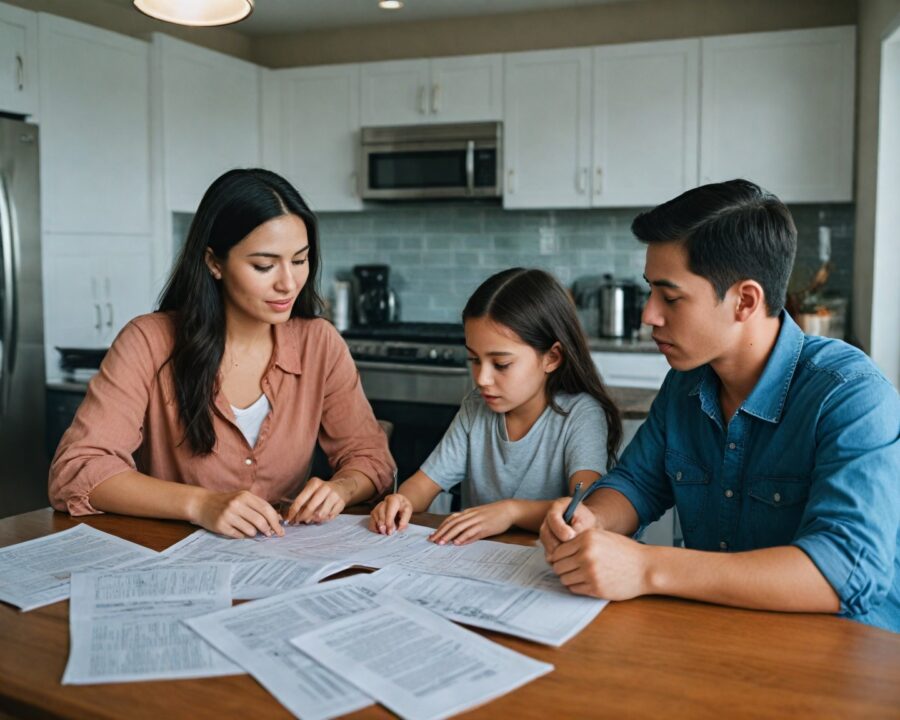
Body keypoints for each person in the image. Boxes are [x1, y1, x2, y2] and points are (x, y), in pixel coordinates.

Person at [540, 179, 900, 632]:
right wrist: (591, 519)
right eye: (650, 291)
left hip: (847, 658)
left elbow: (846, 571)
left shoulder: (850, 395)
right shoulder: (685, 383)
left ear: (745, 300)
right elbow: (637, 484)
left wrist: (646, 567)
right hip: (723, 637)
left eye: (670, 297)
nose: (649, 315)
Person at [49, 169, 395, 538]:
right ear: (214, 263)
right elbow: (78, 470)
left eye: (299, 260)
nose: (289, 283)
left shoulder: (319, 344)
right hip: (175, 563)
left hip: (285, 563)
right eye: (264, 265)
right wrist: (200, 504)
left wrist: (339, 489)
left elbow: (372, 460)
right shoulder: (148, 342)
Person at [369, 268, 622, 544]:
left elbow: (583, 508)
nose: (482, 379)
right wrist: (401, 500)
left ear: (552, 357)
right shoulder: (475, 408)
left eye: (501, 364)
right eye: (474, 360)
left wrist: (511, 512)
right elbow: (424, 484)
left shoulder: (582, 415)